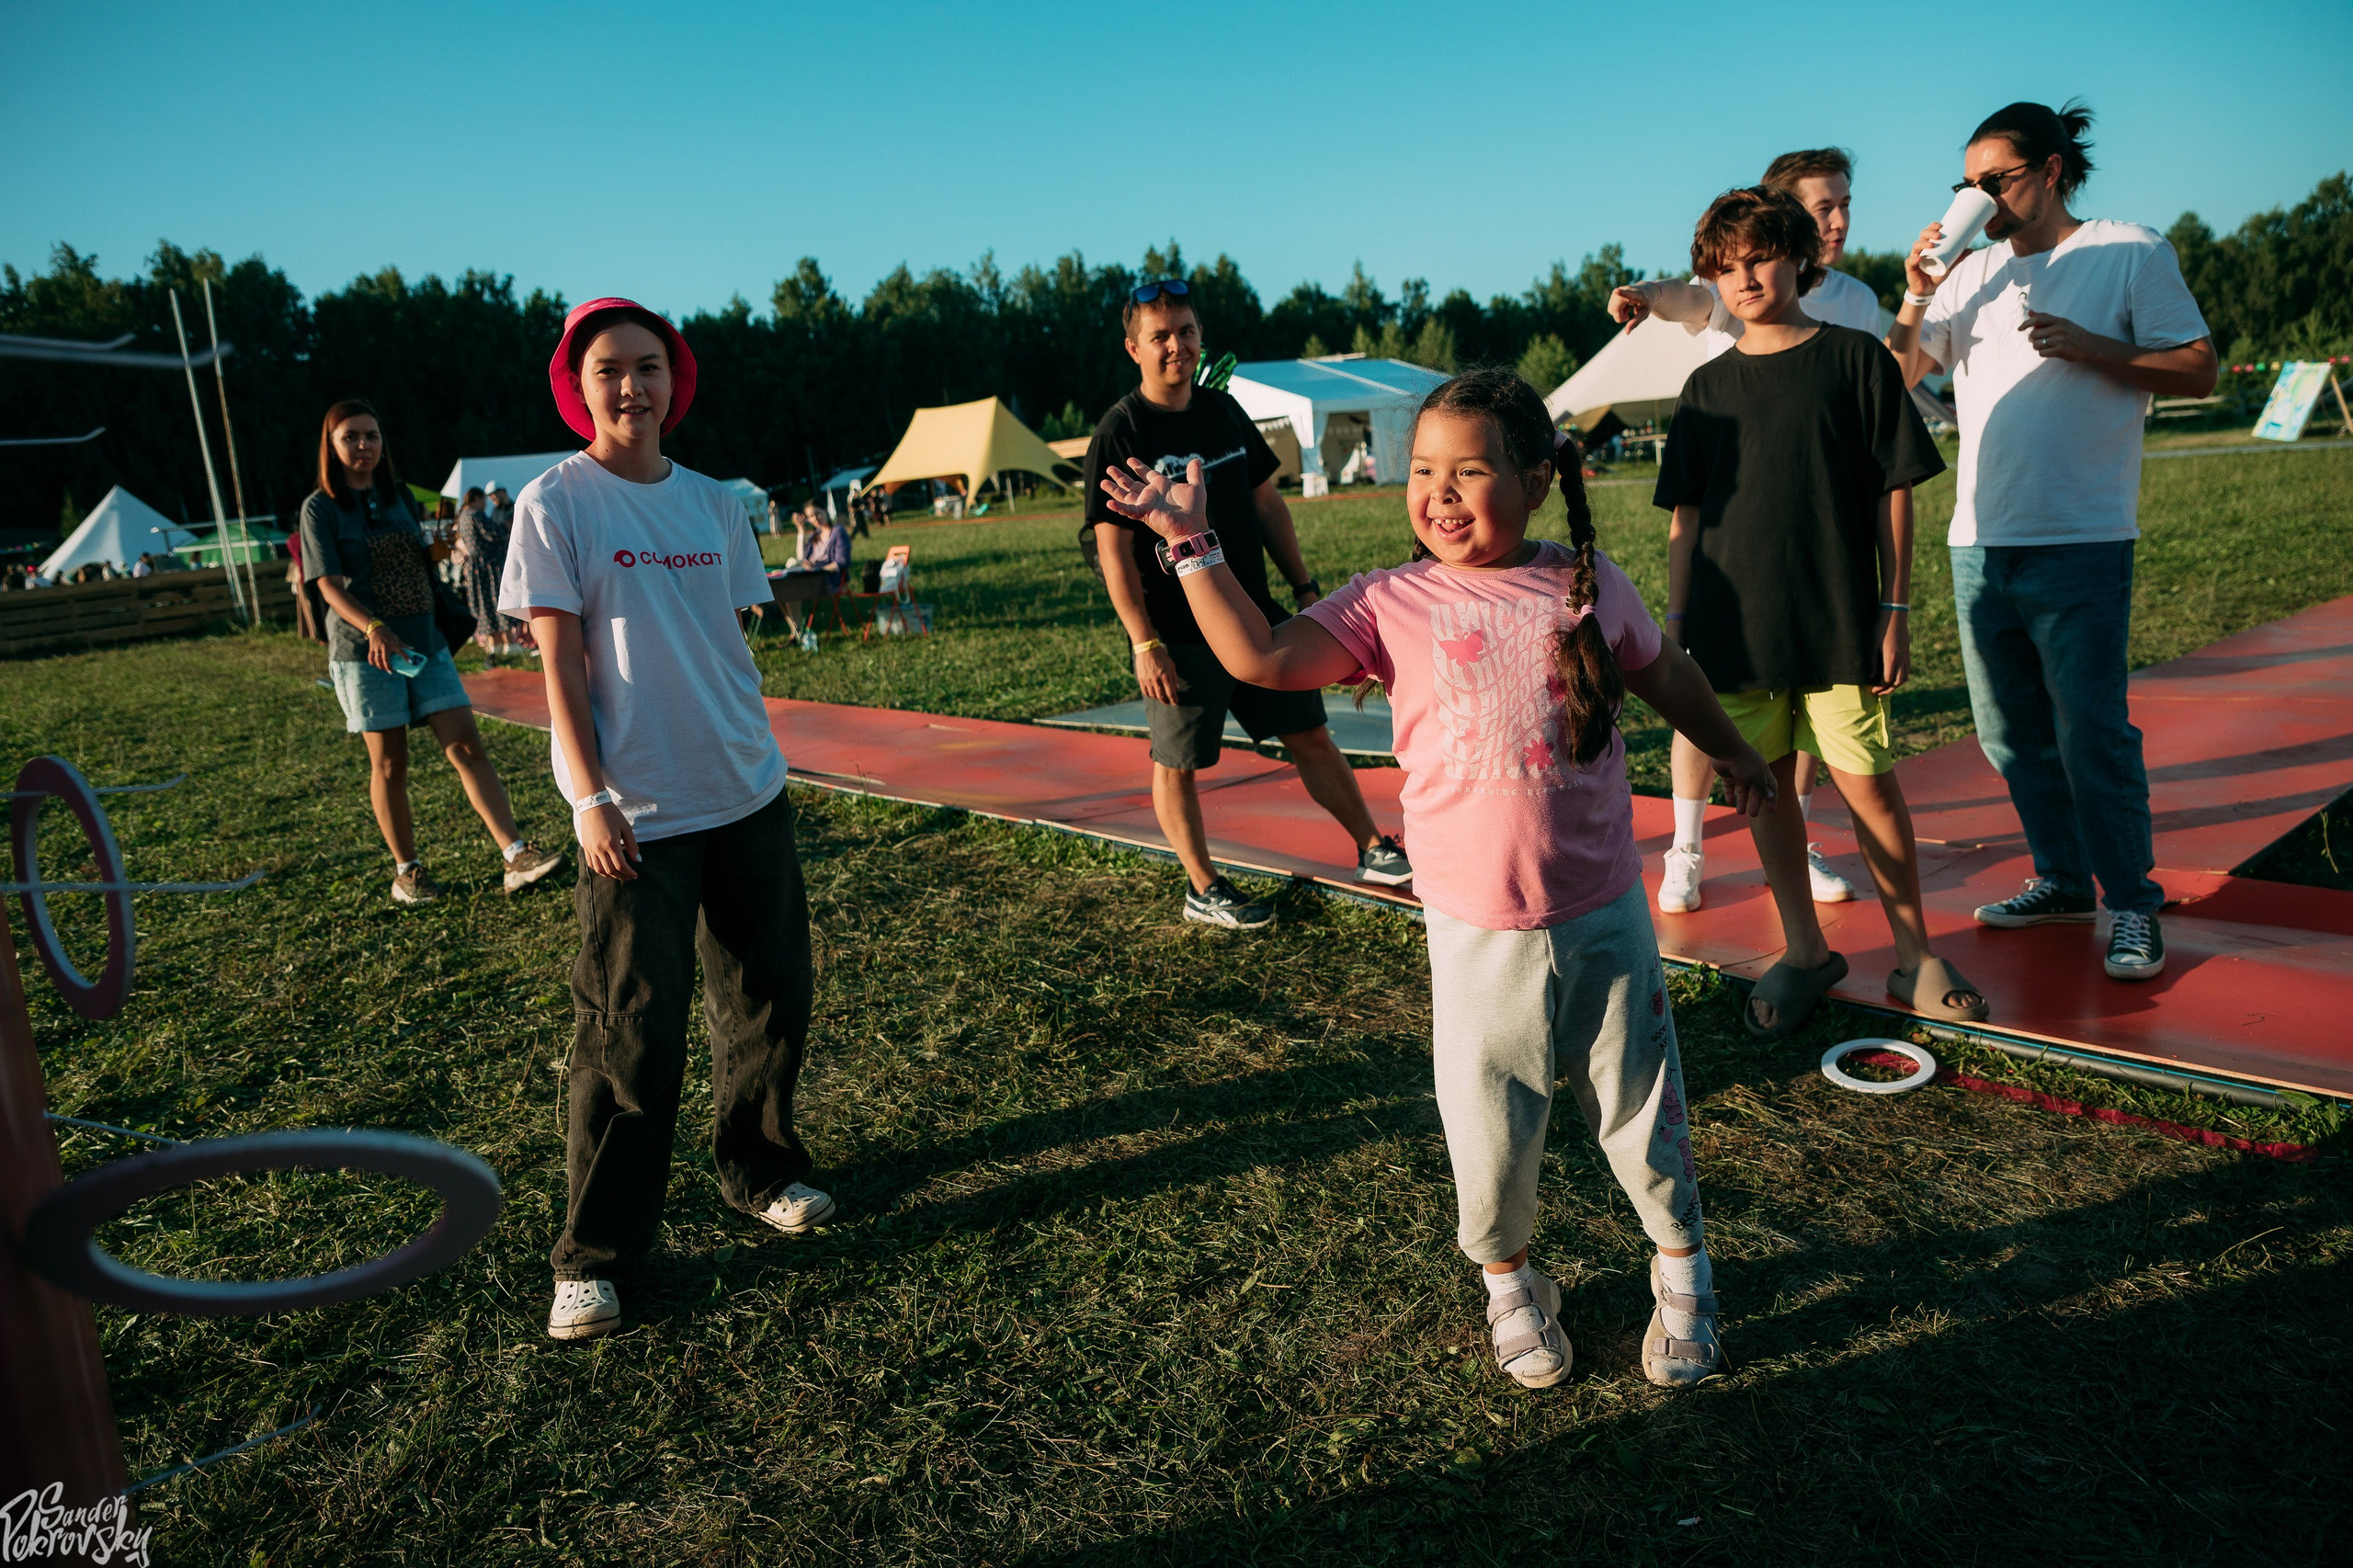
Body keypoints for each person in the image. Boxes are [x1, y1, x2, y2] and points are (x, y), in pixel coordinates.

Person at [1103, 368, 1775, 1389]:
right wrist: (1190, 544)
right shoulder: (1391, 601)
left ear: (1539, 478)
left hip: (1603, 913)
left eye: (1470, 470)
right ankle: (1509, 1278)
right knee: (1489, 1127)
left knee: (1642, 1106)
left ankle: (1682, 1265)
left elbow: (1668, 671)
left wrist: (1730, 750)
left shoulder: (1584, 586)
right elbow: (1262, 656)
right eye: (1423, 472)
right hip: (1473, 931)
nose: (1441, 494)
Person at [504, 297, 831, 1345]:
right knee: (627, 1030)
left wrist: (751, 752)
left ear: (673, 380)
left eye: (648, 366)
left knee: (770, 994)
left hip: (743, 785)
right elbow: (559, 666)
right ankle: (592, 1257)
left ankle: (760, 1165)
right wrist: (588, 795)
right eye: (610, 370)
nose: (632, 387)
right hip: (634, 810)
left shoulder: (714, 500)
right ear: (578, 383)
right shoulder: (554, 503)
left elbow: (722, 639)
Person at [1887, 101, 2214, 983]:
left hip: (2083, 533)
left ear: (2055, 169)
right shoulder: (1970, 274)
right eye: (1967, 184)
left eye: (1996, 179)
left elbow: (2199, 367)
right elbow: (1897, 374)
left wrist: (2095, 347)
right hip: (1978, 542)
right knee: (2010, 737)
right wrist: (1919, 290)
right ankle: (2064, 881)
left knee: (2092, 734)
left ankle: (2134, 905)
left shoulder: (2127, 250)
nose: (1980, 197)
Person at [1652, 187, 1984, 1032]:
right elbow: (1686, 522)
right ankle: (1805, 949)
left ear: (1800, 256)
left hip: (1839, 621)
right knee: (1762, 795)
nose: (1744, 279)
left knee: (1869, 785)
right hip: (1734, 632)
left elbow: (1894, 491)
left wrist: (1895, 607)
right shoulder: (1703, 387)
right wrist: (1680, 630)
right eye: (1723, 269)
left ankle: (1915, 957)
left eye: (1759, 258)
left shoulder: (1857, 360)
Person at [1085, 278, 1410, 926]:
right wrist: (1143, 642)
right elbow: (1112, 549)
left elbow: (1267, 503)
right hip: (1177, 633)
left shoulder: (1223, 411)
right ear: (1133, 348)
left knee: (1310, 734)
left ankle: (1372, 846)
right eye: (1161, 336)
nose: (1176, 345)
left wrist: (1303, 587)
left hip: (1255, 619)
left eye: (1186, 331)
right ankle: (1203, 888)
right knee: (1178, 761)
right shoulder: (1121, 430)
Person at [1611, 147, 1886, 915]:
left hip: (1813, 545)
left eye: (1842, 203)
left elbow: (1900, 366)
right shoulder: (1735, 285)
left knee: (1799, 718)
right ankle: (1687, 848)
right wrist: (1641, 293)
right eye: (1819, 206)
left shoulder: (1856, 304)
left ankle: (1795, 841)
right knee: (1707, 706)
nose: (1835, 220)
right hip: (1732, 540)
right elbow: (1687, 295)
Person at [297, 399, 566, 906]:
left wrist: (443, 543)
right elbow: (328, 586)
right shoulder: (321, 508)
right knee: (390, 763)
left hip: (425, 641)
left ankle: (515, 854)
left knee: (466, 745)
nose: (363, 446)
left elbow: (426, 561)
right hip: (365, 650)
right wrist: (374, 627)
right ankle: (408, 871)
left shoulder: (398, 495)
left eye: (371, 436)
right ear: (331, 446)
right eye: (351, 437)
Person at [456, 483, 522, 656]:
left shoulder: (462, 516)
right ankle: (510, 643)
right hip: (490, 566)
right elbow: (493, 534)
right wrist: (506, 527)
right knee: (499, 601)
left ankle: (495, 644)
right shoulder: (476, 515)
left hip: (475, 568)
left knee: (485, 605)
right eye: (484, 500)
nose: (486, 504)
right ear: (477, 498)